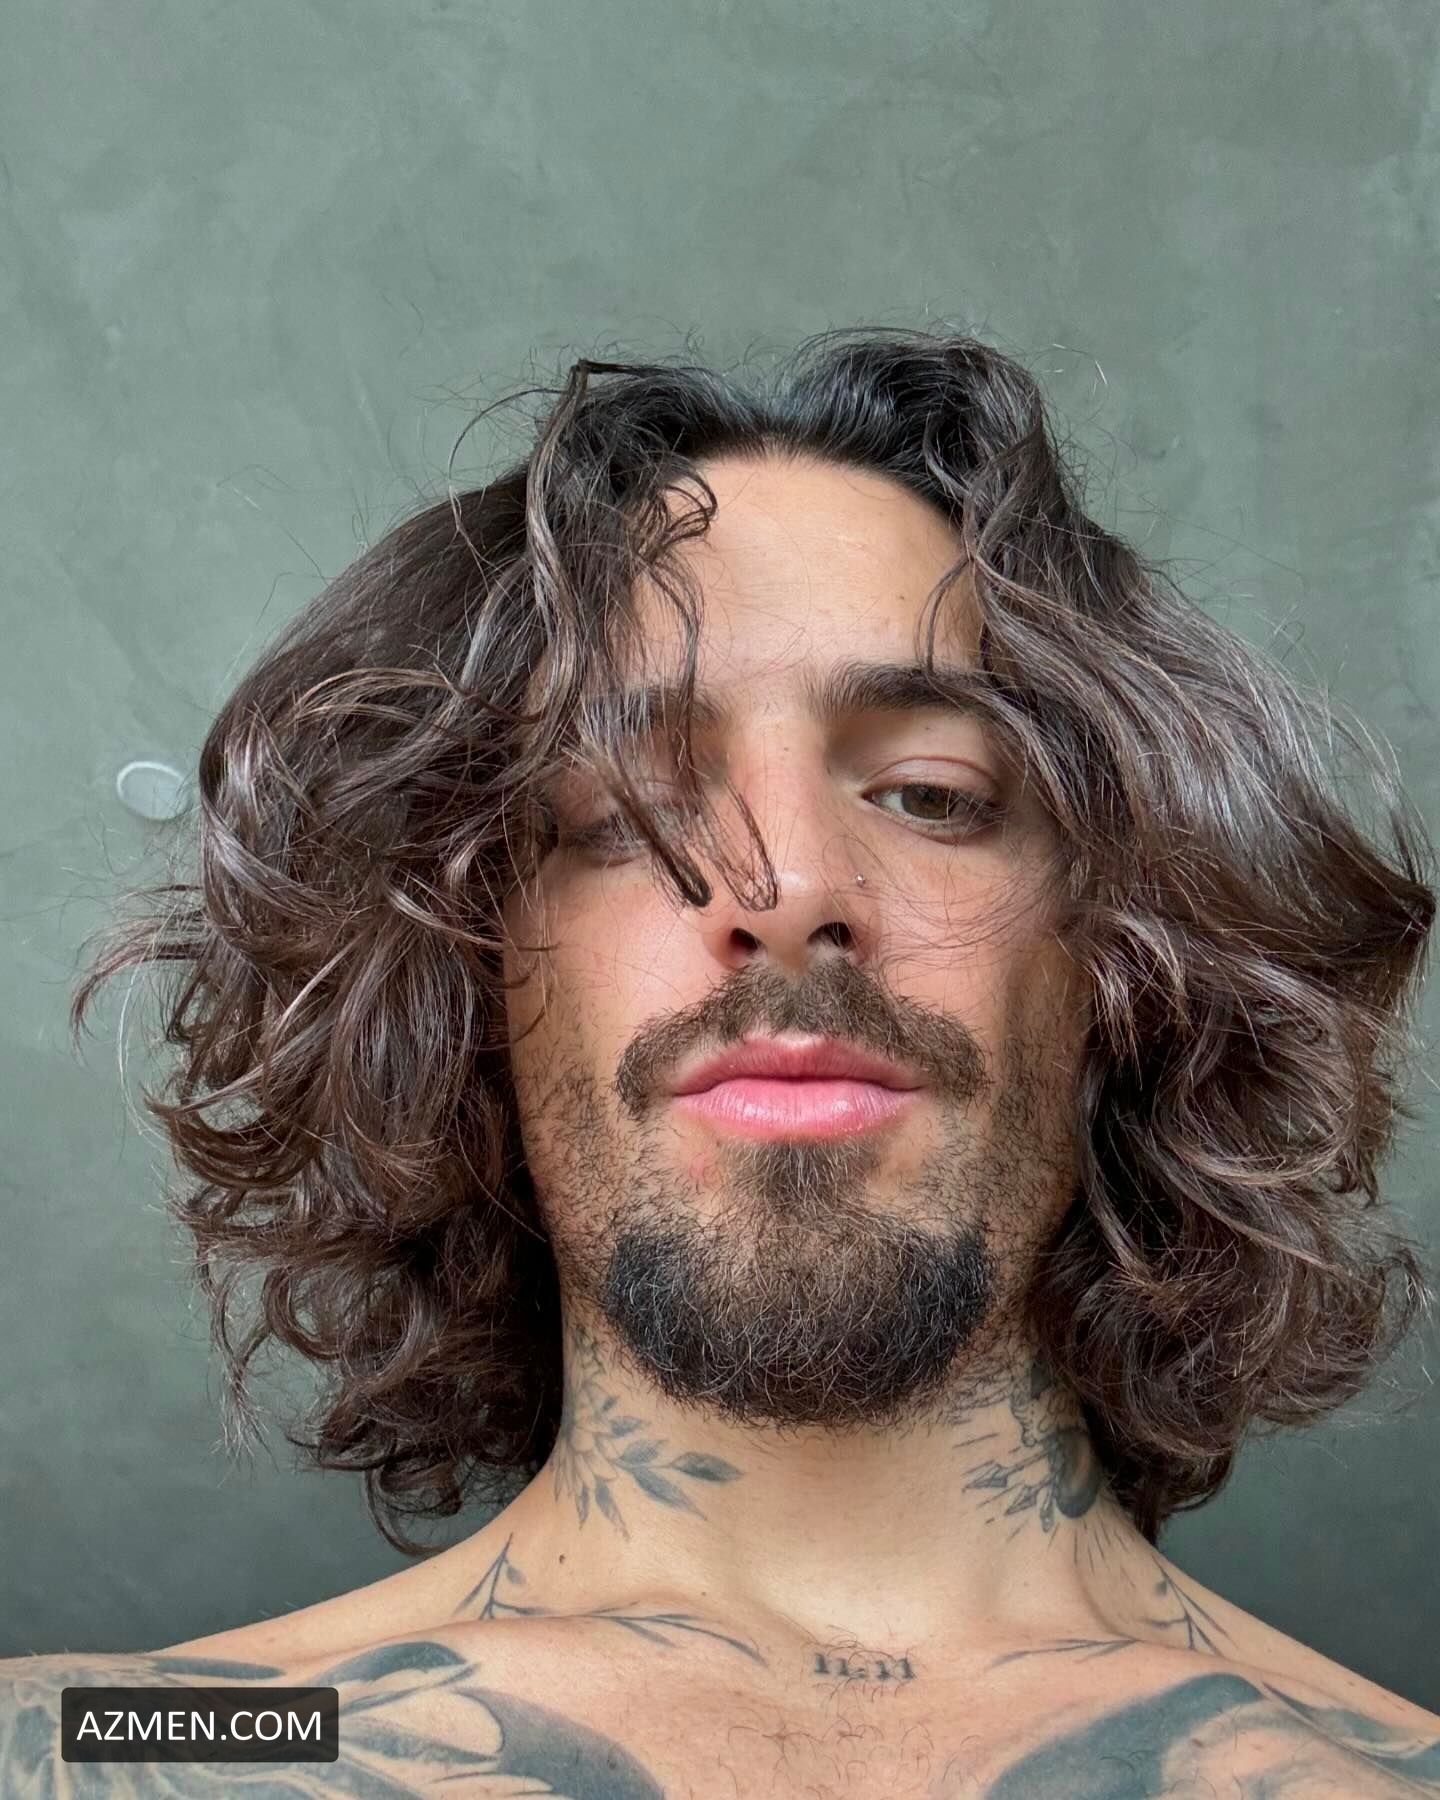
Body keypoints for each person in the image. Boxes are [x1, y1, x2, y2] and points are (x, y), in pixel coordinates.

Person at [5, 330, 1439, 1796]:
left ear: (1133, 957)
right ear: (462, 971)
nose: (782, 884)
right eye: (623, 810)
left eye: (932, 794)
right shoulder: (136, 1754)